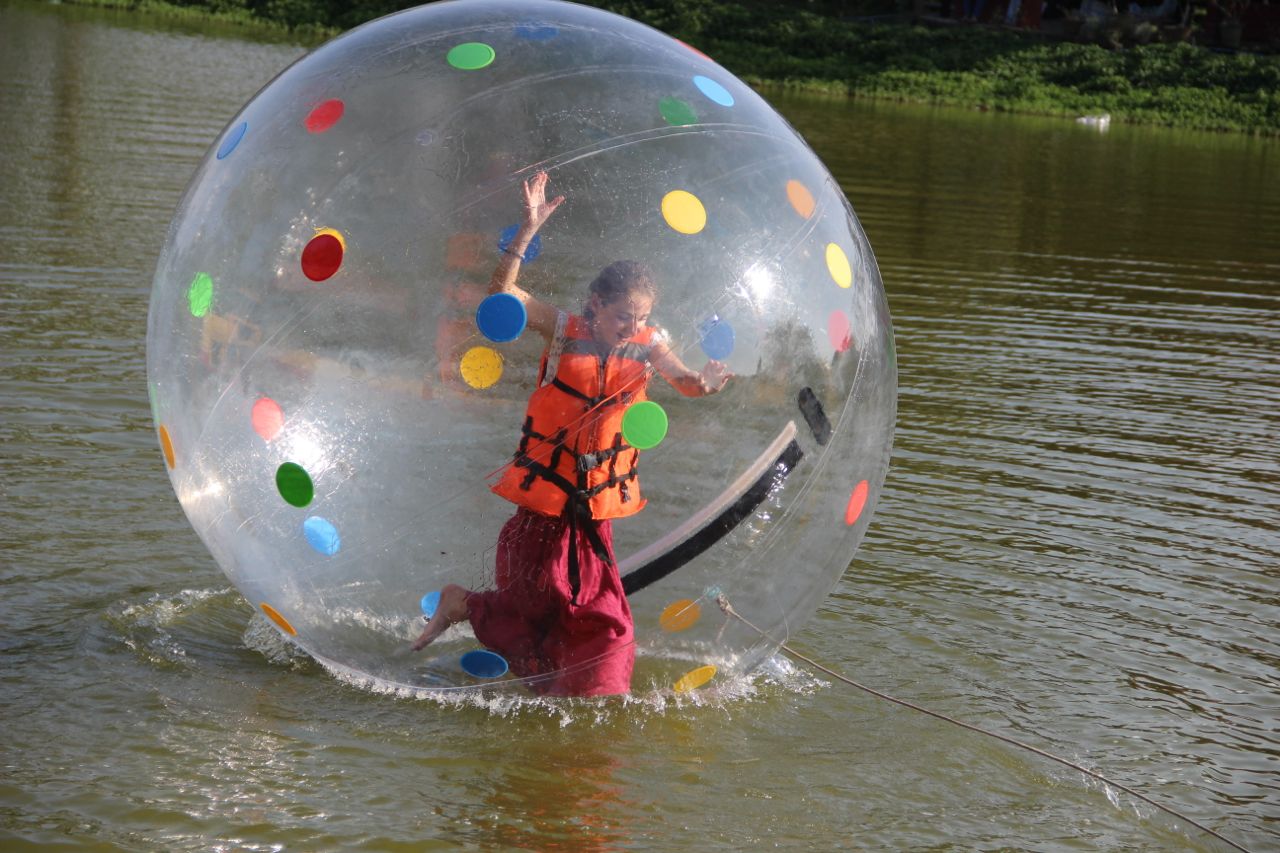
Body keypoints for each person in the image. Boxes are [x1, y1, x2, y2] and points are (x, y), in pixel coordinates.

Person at [413, 171, 731, 696]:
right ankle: (463, 604)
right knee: (536, 612)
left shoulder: (649, 346)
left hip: (591, 517)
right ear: (596, 304)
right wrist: (526, 231)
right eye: (623, 315)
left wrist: (706, 382)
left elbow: (685, 381)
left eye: (641, 318)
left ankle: (592, 695)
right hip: (542, 513)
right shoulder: (563, 330)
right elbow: (501, 295)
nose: (631, 327)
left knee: (604, 626)